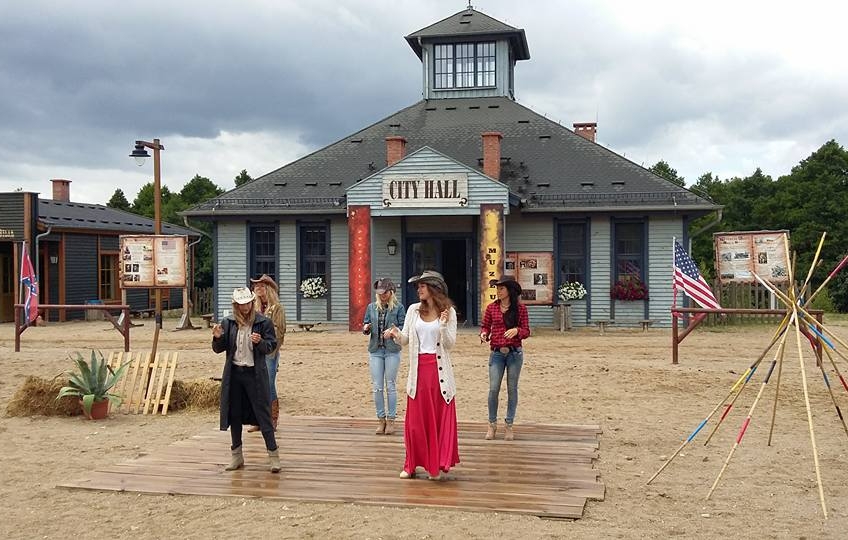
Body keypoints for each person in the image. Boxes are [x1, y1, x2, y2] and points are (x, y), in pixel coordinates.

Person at [386, 270, 459, 480]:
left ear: (434, 288)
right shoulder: (413, 310)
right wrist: (395, 334)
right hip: (418, 372)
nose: (419, 289)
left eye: (422, 286)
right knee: (416, 424)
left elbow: (449, 344)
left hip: (439, 373)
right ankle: (410, 465)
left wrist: (443, 325)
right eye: (418, 286)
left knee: (436, 420)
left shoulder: (448, 312)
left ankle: (434, 467)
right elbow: (406, 339)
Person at [212, 287, 281, 473]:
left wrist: (260, 342)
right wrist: (217, 338)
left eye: (248, 304)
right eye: (241, 304)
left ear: (252, 302)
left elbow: (271, 347)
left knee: (263, 415)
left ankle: (273, 456)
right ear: (235, 305)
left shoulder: (263, 322)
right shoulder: (228, 322)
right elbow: (219, 349)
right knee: (234, 414)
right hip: (234, 374)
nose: (245, 308)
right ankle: (237, 456)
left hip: (254, 374)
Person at [480, 276, 531, 441]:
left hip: (514, 353)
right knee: (493, 389)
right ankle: (492, 424)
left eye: (501, 288)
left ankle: (509, 424)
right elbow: (485, 326)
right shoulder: (491, 308)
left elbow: (527, 331)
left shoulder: (521, 309)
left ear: (509, 290)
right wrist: (484, 334)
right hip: (496, 353)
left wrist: (517, 331)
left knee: (512, 389)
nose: (498, 291)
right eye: (497, 288)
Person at [362, 278, 406, 435]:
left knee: (391, 385)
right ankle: (381, 419)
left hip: (392, 350)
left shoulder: (399, 307)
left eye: (385, 293)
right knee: (377, 387)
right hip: (376, 350)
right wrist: (366, 328)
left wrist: (393, 331)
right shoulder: (371, 307)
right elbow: (366, 324)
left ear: (391, 292)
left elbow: (403, 327)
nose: (382, 295)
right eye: (380, 293)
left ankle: (391, 419)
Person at [247, 274, 287, 432]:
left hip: (269, 352)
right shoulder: (254, 308)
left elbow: (280, 332)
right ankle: (258, 419)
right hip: (254, 351)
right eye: (256, 286)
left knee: (268, 384)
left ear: (268, 289)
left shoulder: (277, 308)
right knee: (255, 385)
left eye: (261, 286)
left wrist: (265, 340)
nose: (258, 288)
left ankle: (272, 419)